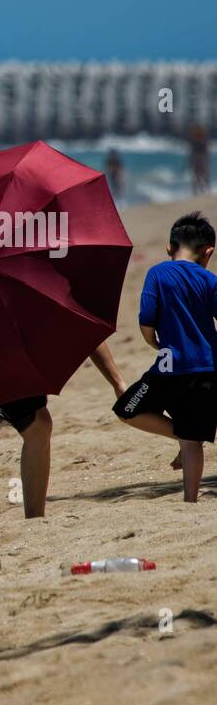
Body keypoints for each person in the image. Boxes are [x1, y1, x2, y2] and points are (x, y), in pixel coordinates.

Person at [0, 342, 125, 526]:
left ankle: (34, 521)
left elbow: (81, 320)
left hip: (6, 343)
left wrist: (117, 382)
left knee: (38, 426)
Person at [112, 212, 217, 502]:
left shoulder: (157, 273)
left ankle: (182, 435)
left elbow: (146, 322)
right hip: (207, 370)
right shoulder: (209, 280)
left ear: (169, 248)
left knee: (126, 409)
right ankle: (190, 500)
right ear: (208, 252)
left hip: (168, 369)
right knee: (191, 438)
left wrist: (155, 343)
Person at [188, 125, 210, 195]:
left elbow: (192, 153)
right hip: (200, 159)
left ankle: (201, 190)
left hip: (199, 159)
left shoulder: (197, 141)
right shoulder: (200, 141)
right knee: (199, 175)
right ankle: (201, 190)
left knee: (199, 176)